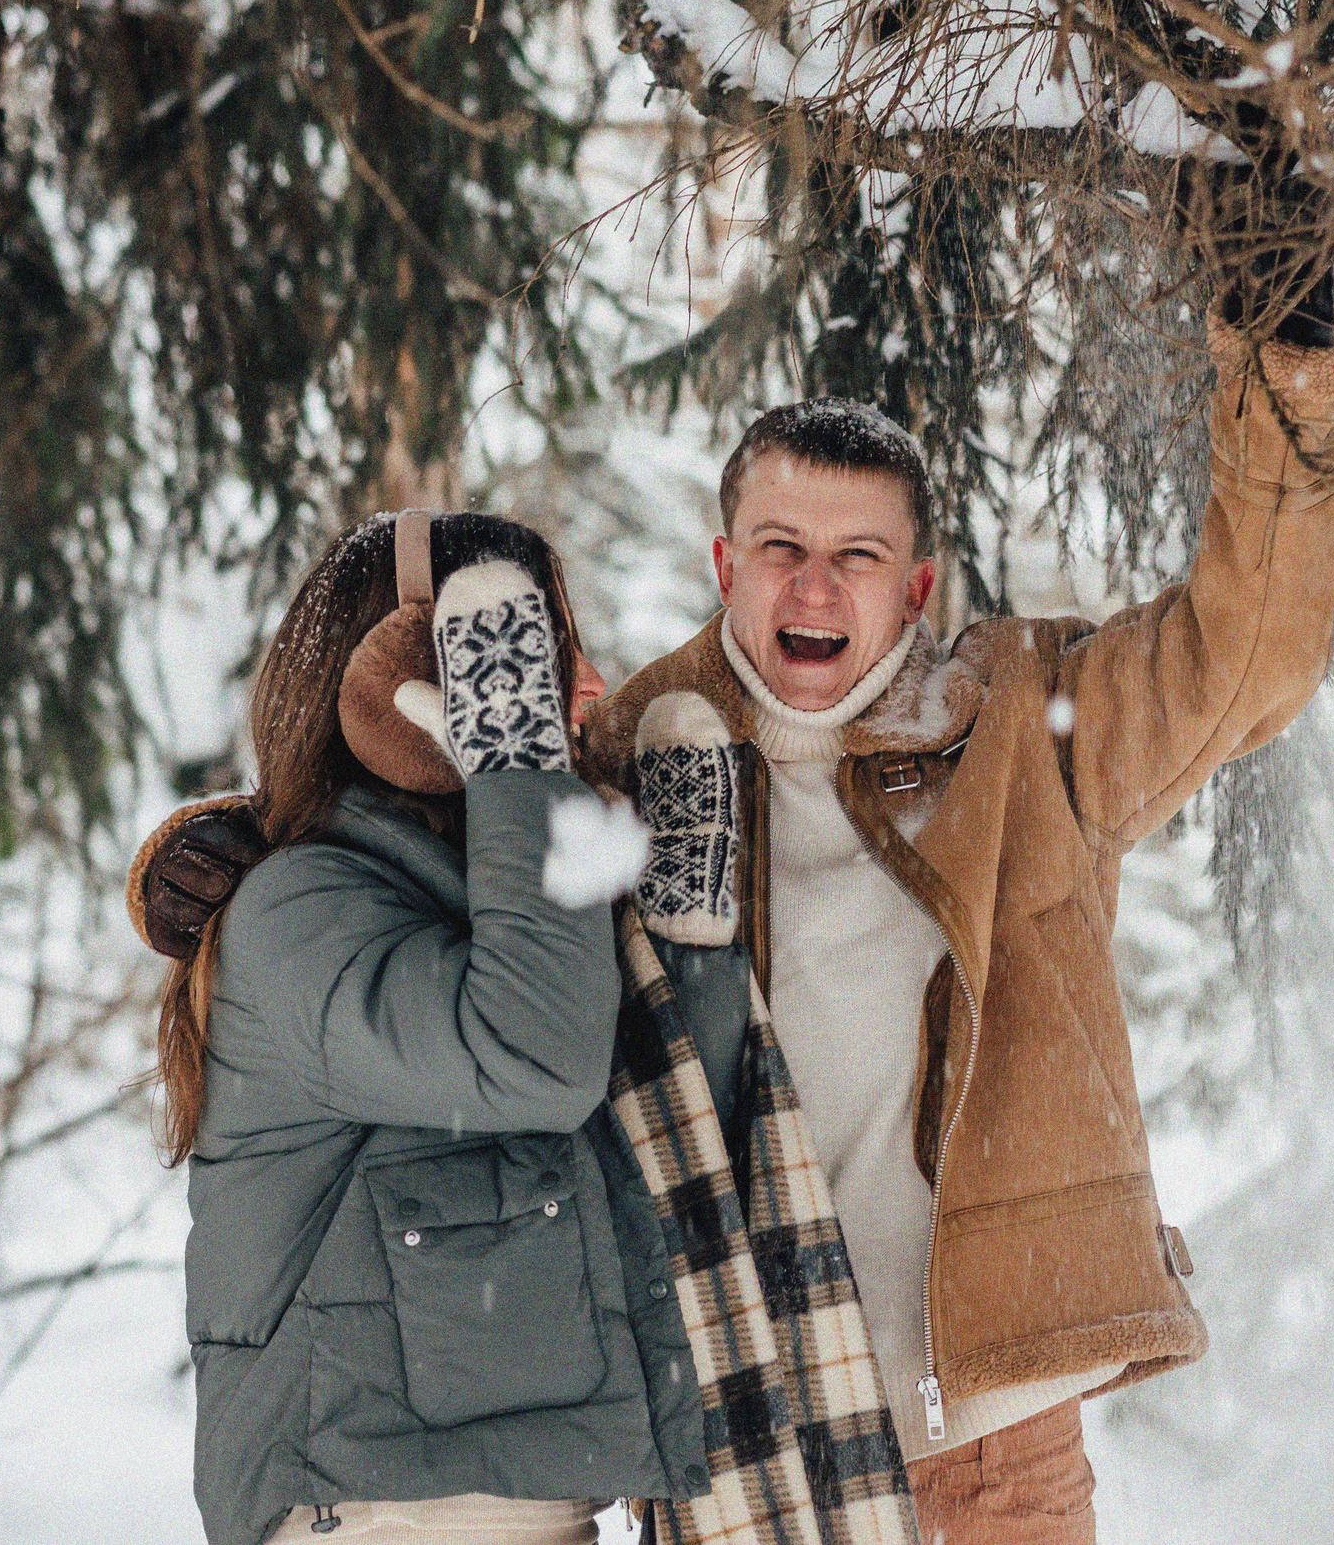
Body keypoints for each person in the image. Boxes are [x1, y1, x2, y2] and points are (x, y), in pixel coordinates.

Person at [584, 266, 1334, 1543]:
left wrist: (1282, 377)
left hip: (991, 1425)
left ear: (918, 590)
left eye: (856, 556)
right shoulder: (630, 763)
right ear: (725, 563)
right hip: (742, 1415)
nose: (813, 589)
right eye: (781, 549)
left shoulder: (1021, 730)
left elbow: (1245, 656)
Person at [136, 509, 920, 1545]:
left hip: (508, 1500)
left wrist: (692, 943)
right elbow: (533, 1059)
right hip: (381, 1513)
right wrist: (515, 762)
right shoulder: (302, 908)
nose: (581, 685)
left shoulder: (496, 896)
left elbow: (663, 1152)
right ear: (422, 672)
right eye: (537, 653)